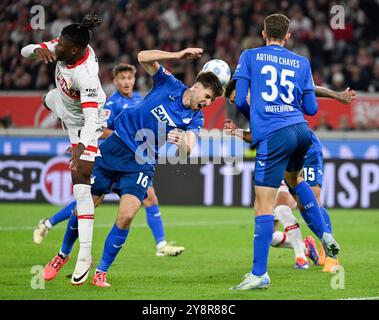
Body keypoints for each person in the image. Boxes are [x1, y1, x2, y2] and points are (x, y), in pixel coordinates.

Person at [42, 47, 224, 287]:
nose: (208, 103)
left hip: (141, 162)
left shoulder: (195, 118)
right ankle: (62, 255)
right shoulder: (169, 84)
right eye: (208, 97)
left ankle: (101, 272)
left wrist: (184, 144)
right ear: (198, 87)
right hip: (115, 148)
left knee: (126, 216)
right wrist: (177, 55)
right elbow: (142, 57)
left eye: (211, 101)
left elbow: (189, 146)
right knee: (83, 207)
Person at [230, 13, 340, 290]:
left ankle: (259, 274)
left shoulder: (250, 55)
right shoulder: (301, 62)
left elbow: (239, 97)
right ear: (288, 36)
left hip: (273, 135)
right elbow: (312, 109)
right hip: (301, 132)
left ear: (263, 33)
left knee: (263, 205)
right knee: (295, 181)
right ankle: (324, 233)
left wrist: (257, 116)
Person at [34, 63, 185, 257]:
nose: (126, 82)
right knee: (91, 202)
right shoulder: (112, 104)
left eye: (129, 78)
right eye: (122, 78)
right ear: (115, 81)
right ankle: (49, 224)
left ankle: (161, 244)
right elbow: (101, 129)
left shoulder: (139, 99)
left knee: (149, 198)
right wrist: (127, 135)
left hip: (136, 161)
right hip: (113, 157)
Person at [224, 80, 356, 272]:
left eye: (240, 97)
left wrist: (338, 96)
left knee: (312, 198)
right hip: (281, 153)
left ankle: (330, 254)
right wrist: (236, 132)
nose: (241, 103)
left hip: (306, 148)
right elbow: (257, 136)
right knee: (278, 216)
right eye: (235, 101)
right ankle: (305, 248)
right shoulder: (255, 110)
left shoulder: (270, 91)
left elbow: (309, 90)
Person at [21, 15, 106, 285]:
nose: (56, 49)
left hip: (85, 122)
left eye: (60, 48)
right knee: (49, 99)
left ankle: (84, 254)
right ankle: (51, 100)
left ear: (74, 51)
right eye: (57, 45)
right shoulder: (64, 45)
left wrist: (81, 146)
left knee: (81, 186)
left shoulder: (87, 76)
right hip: (64, 105)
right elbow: (25, 52)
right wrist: (38, 50)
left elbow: (92, 120)